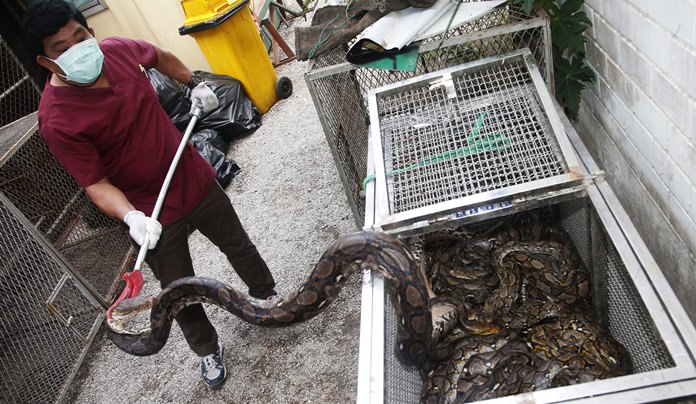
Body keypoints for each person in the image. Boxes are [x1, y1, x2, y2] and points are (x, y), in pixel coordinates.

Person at [22, 0, 278, 390]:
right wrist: (131, 218)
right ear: (47, 61)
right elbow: (95, 184)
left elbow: (158, 56)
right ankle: (206, 349)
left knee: (237, 243)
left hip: (190, 174)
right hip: (150, 211)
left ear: (90, 31)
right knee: (179, 288)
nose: (78, 49)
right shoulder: (57, 119)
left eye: (80, 35)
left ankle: (266, 298)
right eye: (62, 47)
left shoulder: (117, 51)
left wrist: (194, 83)